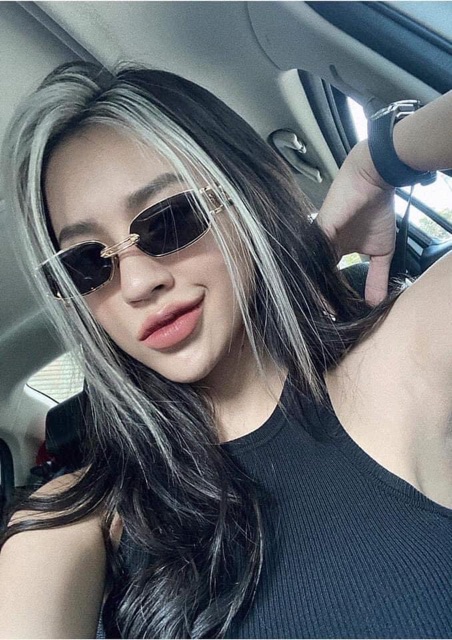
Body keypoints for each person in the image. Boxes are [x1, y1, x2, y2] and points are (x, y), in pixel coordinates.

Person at [0, 61, 450, 639]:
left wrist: (376, 161)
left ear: (248, 195)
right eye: (86, 263)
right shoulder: (76, 520)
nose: (137, 284)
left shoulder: (396, 363)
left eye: (169, 220)